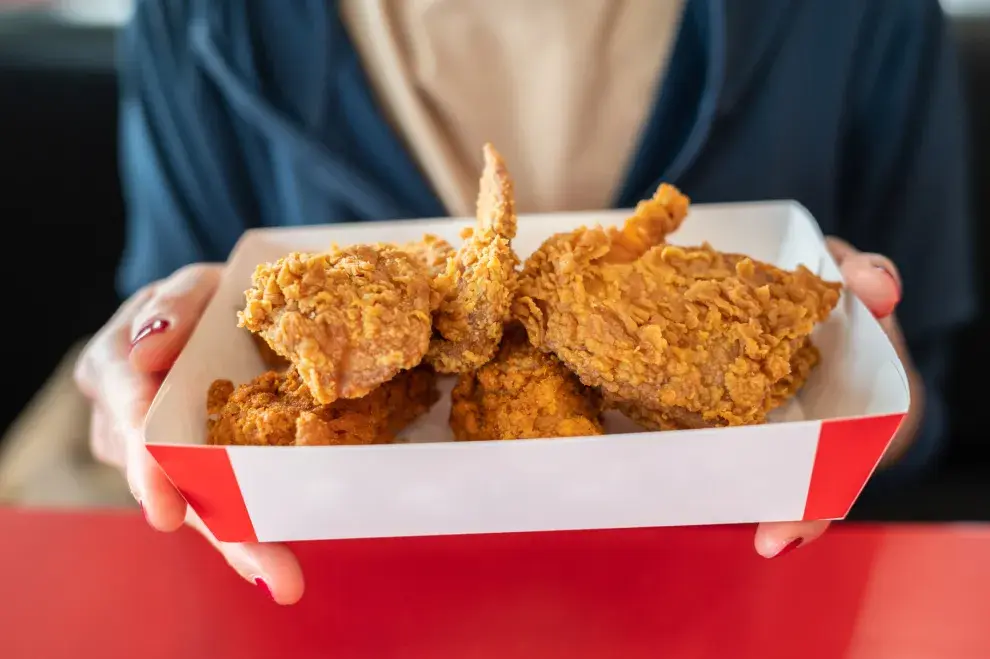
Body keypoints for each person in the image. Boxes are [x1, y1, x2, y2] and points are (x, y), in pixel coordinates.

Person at [74, 0, 975, 605]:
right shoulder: (201, 19)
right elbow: (161, 355)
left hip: (750, 590)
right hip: (337, 600)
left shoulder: (864, 15)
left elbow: (928, 411)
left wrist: (874, 389)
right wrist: (142, 385)